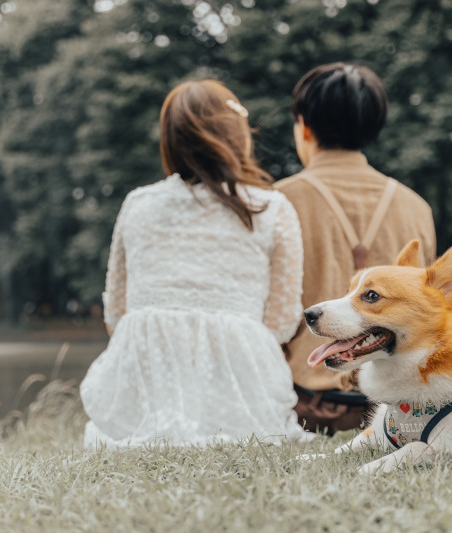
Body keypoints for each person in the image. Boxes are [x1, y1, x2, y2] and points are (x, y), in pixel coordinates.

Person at [80, 80, 309, 448]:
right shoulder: (271, 209)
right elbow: (282, 323)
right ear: (238, 135)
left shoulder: (137, 203)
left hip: (146, 387)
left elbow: (117, 315)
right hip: (240, 389)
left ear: (169, 141)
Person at [275, 63, 437, 434]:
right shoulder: (416, 206)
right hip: (396, 408)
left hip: (302, 403)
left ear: (305, 127)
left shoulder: (277, 201)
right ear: (372, 127)